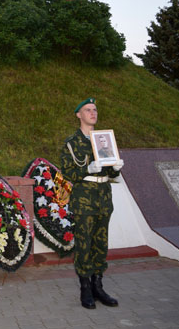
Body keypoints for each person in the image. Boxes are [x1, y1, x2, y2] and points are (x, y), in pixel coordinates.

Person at [60, 98, 123, 309]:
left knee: (101, 243)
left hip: (103, 197)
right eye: (88, 110)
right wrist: (88, 169)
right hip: (84, 199)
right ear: (79, 115)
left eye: (95, 109)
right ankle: (85, 287)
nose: (93, 113)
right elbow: (68, 172)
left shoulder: (105, 139)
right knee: (84, 243)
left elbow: (111, 171)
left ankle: (98, 286)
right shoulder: (71, 142)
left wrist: (116, 168)